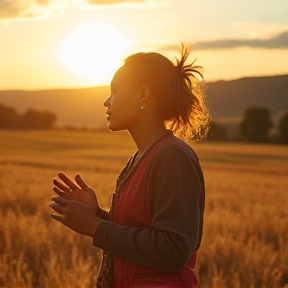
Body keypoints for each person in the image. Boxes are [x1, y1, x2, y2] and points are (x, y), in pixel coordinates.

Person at [50, 44, 209, 288]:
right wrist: (98, 214)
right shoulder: (142, 156)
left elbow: (173, 251)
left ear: (143, 95)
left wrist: (95, 226)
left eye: (114, 91)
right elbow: (141, 233)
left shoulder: (172, 157)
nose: (105, 101)